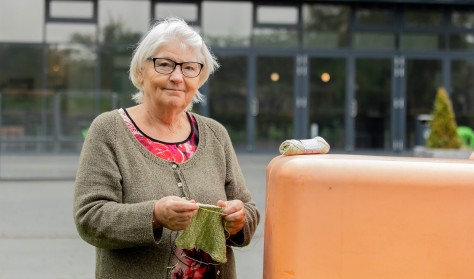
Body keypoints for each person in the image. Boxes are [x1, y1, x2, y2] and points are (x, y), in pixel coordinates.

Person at [74, 17, 260, 279]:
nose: (177, 77)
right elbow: (90, 218)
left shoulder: (215, 134)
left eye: (188, 68)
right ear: (140, 71)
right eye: (164, 65)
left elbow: (248, 210)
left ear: (200, 77)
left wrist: (239, 220)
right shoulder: (109, 130)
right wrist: (154, 215)